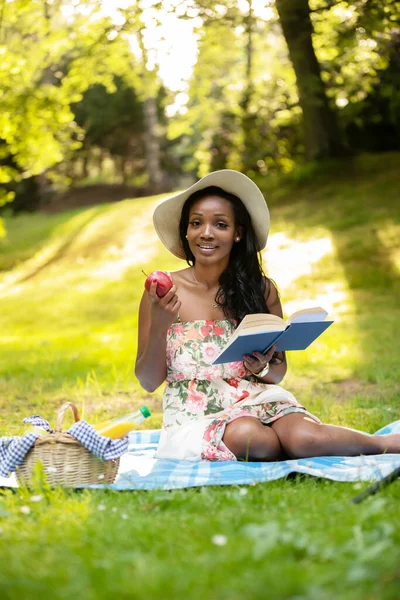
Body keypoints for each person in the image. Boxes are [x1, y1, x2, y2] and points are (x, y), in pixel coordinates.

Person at [135, 169, 400, 462]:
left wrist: (261, 367)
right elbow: (148, 381)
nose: (206, 233)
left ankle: (385, 443)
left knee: (305, 437)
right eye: (196, 223)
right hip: (195, 415)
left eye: (220, 224)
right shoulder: (162, 295)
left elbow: (277, 373)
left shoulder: (260, 289)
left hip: (260, 399)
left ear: (237, 234)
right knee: (251, 438)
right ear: (186, 231)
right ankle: (282, 446)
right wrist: (160, 327)